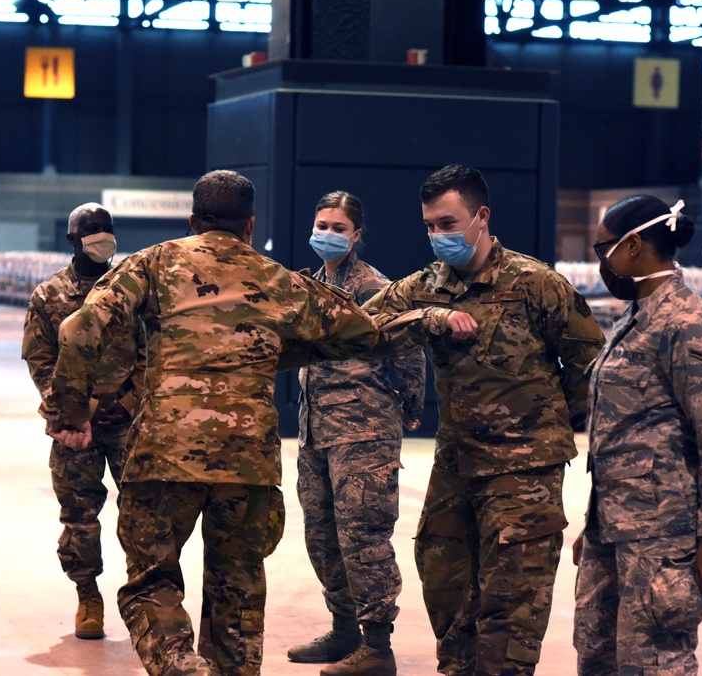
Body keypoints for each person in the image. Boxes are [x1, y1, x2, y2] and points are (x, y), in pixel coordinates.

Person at [41, 170, 467, 676]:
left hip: (164, 455)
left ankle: (179, 663)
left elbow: (77, 329)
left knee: (152, 580)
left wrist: (69, 414)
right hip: (249, 464)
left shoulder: (151, 263)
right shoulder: (277, 279)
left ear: (194, 220)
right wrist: (427, 319)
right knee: (237, 586)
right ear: (249, 225)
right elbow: (361, 333)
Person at [362, 164, 606, 676]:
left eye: (448, 223)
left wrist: (549, 421)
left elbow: (590, 361)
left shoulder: (537, 283)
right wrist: (429, 319)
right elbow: (363, 327)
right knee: (442, 571)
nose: (437, 235)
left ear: (481, 217)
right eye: (429, 225)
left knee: (514, 595)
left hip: (524, 468)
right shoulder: (426, 287)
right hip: (457, 461)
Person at [572, 194, 702, 675]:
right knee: (596, 653)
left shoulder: (688, 323)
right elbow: (625, 432)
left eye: (602, 248)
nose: (601, 260)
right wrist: (596, 523)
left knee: (654, 661)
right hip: (615, 527)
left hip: (664, 539)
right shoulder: (634, 318)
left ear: (633, 245)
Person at [288, 192, 426, 676]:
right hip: (314, 431)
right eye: (321, 223)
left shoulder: (375, 288)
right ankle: (344, 630)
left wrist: (410, 403)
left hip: (363, 432)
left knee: (363, 538)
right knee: (322, 535)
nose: (327, 233)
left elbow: (408, 348)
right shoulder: (309, 284)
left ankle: (377, 647)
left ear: (357, 234)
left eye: (338, 227)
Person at [22, 202, 144, 640]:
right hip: (74, 425)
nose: (102, 237)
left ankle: (144, 599)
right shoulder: (48, 296)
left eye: (107, 230)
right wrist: (86, 409)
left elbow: (152, 352)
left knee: (143, 513)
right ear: (72, 240)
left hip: (130, 420)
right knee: (79, 515)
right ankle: (88, 595)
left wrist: (128, 400)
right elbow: (41, 362)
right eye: (91, 231)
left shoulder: (133, 289)